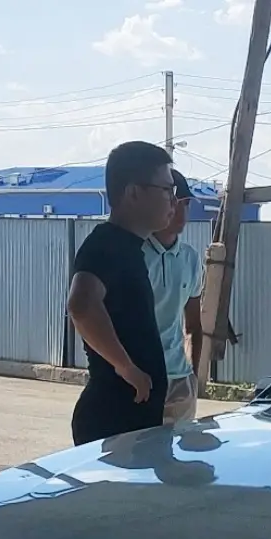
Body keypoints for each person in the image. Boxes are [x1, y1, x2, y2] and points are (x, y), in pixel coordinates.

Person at [66, 140, 178, 446]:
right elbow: (81, 304)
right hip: (113, 416)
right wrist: (125, 367)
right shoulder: (107, 244)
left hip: (132, 416)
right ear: (133, 193)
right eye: (167, 190)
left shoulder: (129, 248)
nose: (173, 200)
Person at [145, 169, 206, 427]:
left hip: (180, 380)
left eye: (186, 204)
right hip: (142, 380)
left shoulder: (190, 260)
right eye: (175, 203)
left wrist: (194, 376)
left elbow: (193, 325)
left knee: (176, 464)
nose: (181, 213)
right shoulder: (135, 255)